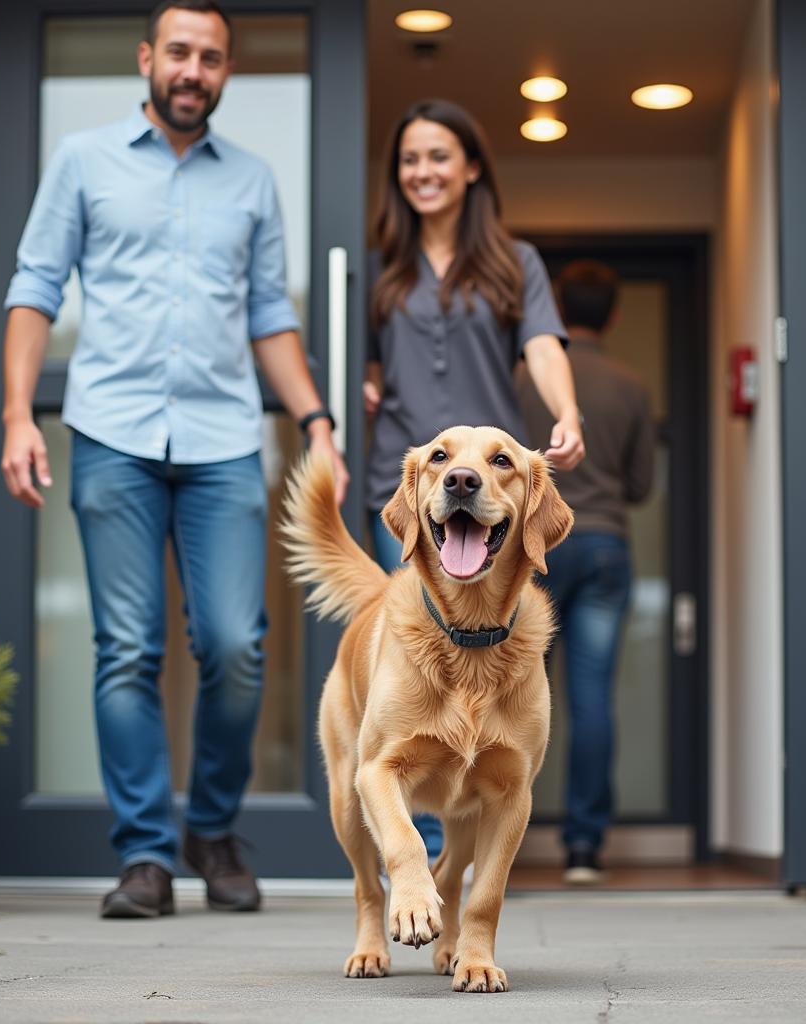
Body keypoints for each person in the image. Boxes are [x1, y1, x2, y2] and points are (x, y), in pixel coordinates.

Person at [0, 0, 348, 919]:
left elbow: (271, 314)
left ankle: (214, 826)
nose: (195, 70)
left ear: (227, 71)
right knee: (128, 650)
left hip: (226, 439)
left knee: (237, 646)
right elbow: (35, 289)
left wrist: (314, 418)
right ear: (149, 58)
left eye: (213, 58)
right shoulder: (83, 161)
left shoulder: (254, 181)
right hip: (112, 432)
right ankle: (146, 856)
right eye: (181, 53)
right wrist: (16, 415)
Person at [364, 99, 585, 857]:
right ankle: (416, 862)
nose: (422, 172)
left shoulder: (512, 262)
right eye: (409, 160)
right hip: (404, 493)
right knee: (413, 688)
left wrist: (567, 412)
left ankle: (448, 870)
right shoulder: (378, 269)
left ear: (471, 167)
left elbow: (545, 346)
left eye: (437, 157)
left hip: (487, 495)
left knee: (485, 687)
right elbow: (361, 363)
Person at [516, 260, 655, 885]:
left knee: (510, 697)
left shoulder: (519, 376)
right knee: (592, 697)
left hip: (530, 549)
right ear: (614, 315)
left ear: (555, 310)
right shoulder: (631, 385)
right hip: (603, 545)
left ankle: (498, 841)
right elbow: (642, 485)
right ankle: (582, 849)